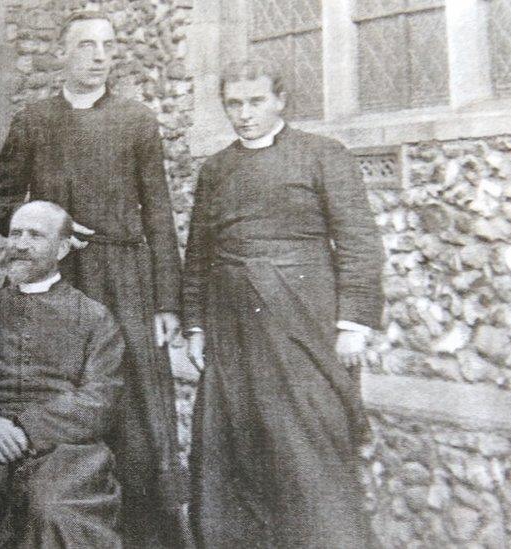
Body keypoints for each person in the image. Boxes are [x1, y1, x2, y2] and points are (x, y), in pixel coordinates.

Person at [0, 11, 184, 545]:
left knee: (136, 402)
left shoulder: (136, 120)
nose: (99, 55)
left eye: (108, 45)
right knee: (57, 391)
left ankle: (142, 534)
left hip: (124, 278)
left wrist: (167, 303)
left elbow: (159, 215)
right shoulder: (34, 120)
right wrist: (46, 223)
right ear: (62, 54)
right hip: (58, 276)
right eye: (87, 45)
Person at [181, 58, 385, 548]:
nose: (244, 114)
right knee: (230, 447)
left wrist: (353, 322)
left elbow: (358, 241)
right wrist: (195, 327)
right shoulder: (217, 169)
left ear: (280, 100)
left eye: (255, 102)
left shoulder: (323, 155)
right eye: (234, 103)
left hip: (302, 322)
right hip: (232, 329)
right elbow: (199, 255)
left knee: (309, 442)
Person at [0, 200, 124, 549]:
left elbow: (100, 401)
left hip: (65, 455)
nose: (20, 244)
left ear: (61, 248)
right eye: (15, 234)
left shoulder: (94, 318)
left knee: (51, 510)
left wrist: (23, 430)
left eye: (35, 236)